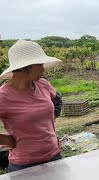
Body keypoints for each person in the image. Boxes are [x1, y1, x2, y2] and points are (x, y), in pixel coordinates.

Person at [0, 39, 62, 172]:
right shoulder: (3, 97)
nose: (43, 68)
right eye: (39, 64)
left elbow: (57, 101)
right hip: (24, 165)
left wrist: (49, 127)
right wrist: (8, 141)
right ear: (23, 67)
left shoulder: (43, 84)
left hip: (54, 156)